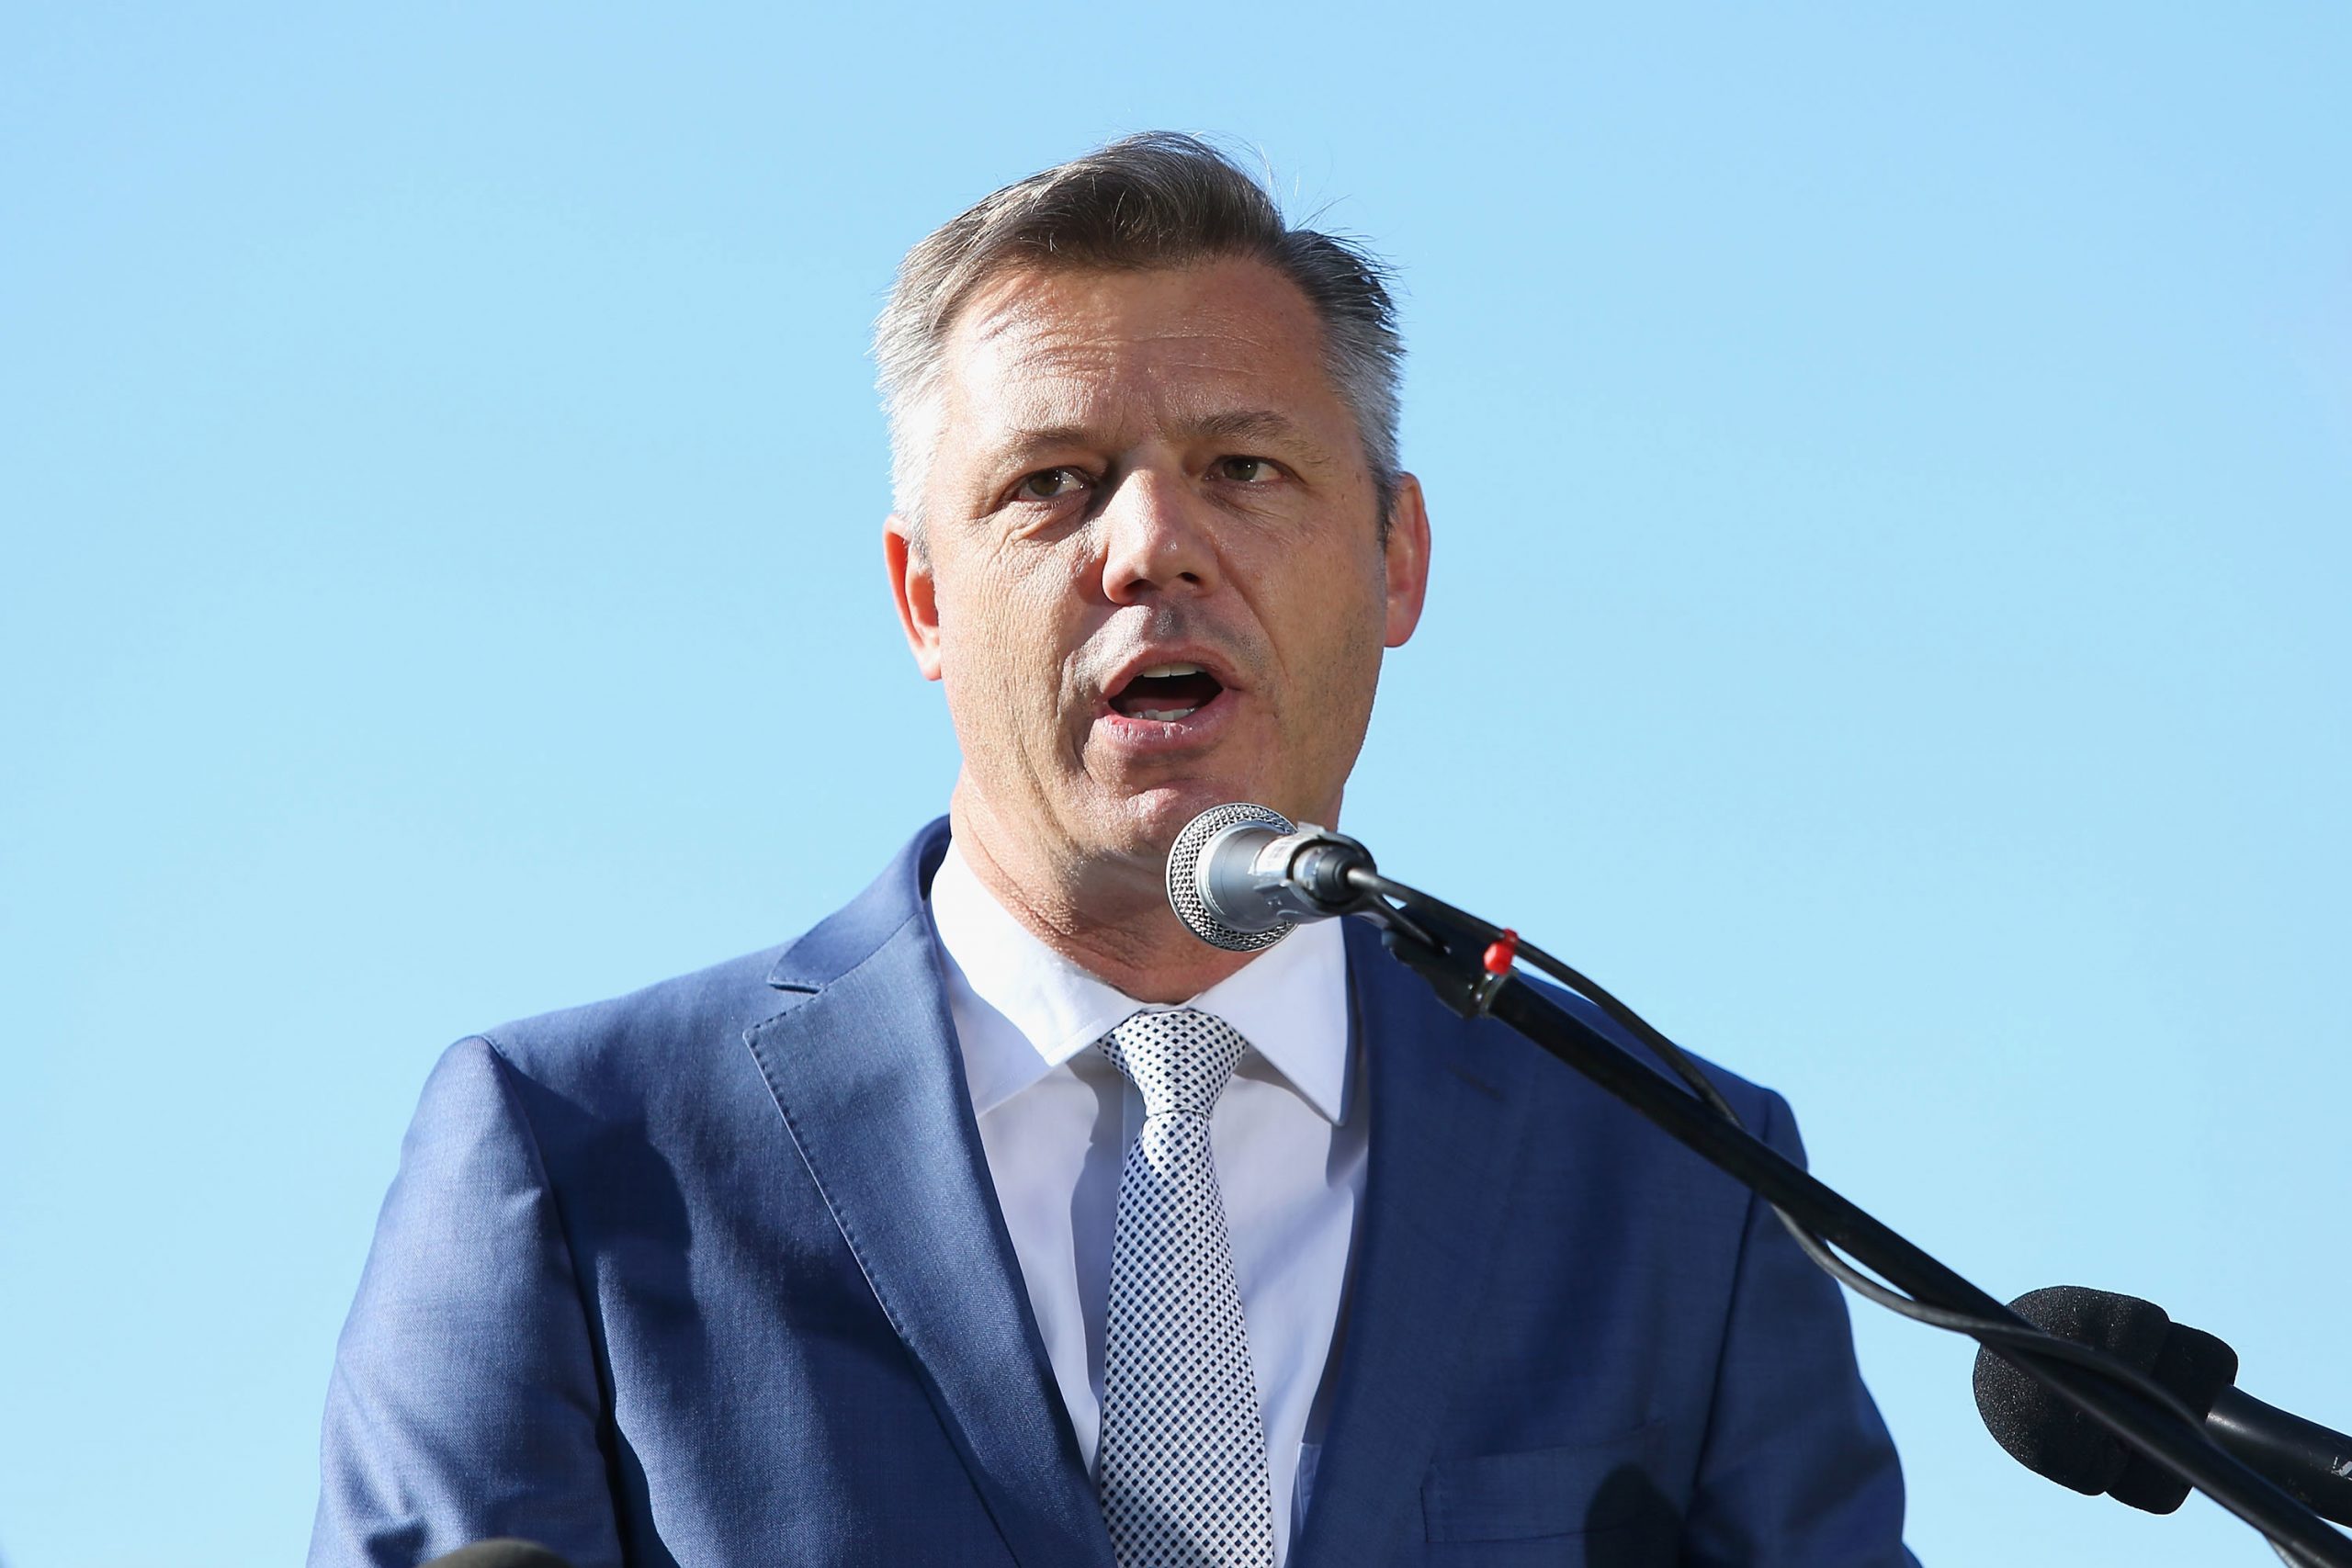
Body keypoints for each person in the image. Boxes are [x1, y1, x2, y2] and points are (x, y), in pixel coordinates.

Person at [310, 132, 1917, 1568]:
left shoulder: (1675, 1186)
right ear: (924, 599)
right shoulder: (581, 1161)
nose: (1151, 545)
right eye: (1054, 485)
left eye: (1244, 468)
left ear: (1397, 561)